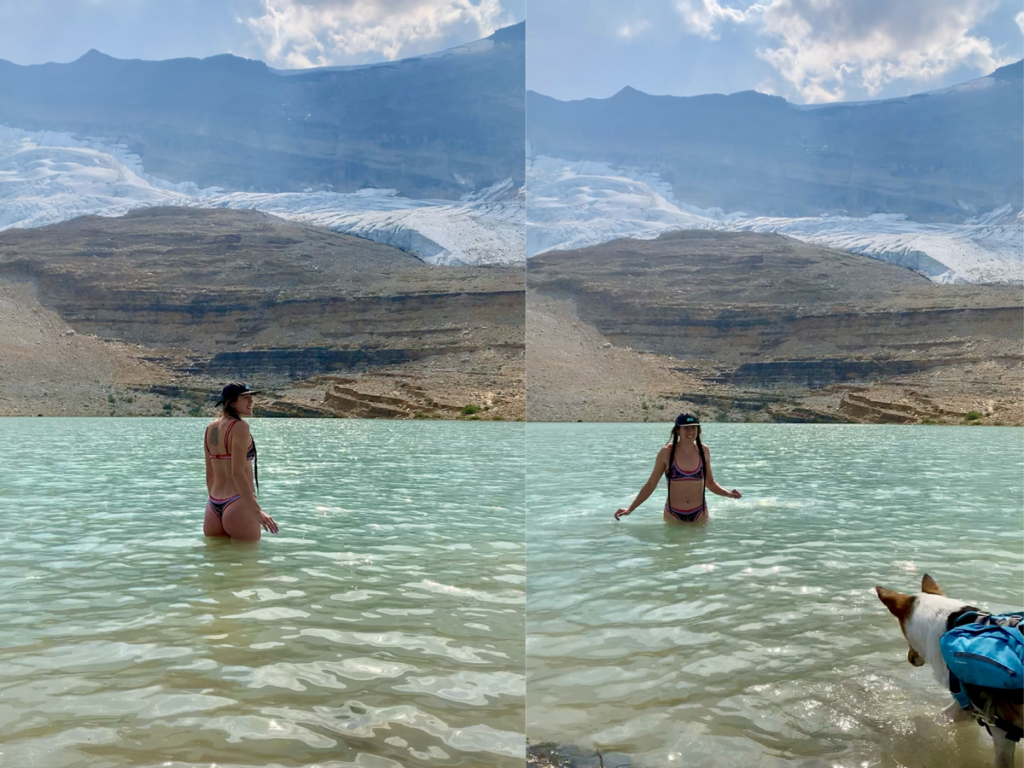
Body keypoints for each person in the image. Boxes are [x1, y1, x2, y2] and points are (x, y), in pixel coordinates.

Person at [614, 413, 741, 523]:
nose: (690, 432)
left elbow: (710, 483)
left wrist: (729, 494)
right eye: (686, 428)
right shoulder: (666, 453)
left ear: (698, 430)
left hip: (700, 513)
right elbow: (651, 484)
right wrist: (630, 509)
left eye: (693, 428)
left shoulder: (704, 451)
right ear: (677, 430)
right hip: (673, 514)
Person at [203, 382, 278, 540]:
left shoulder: (211, 428)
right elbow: (237, 473)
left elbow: (210, 475)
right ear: (231, 402)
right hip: (238, 503)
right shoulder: (240, 427)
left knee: (217, 562)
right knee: (248, 563)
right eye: (245, 398)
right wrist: (256, 511)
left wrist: (218, 506)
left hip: (213, 505)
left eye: (251, 397)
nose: (251, 401)